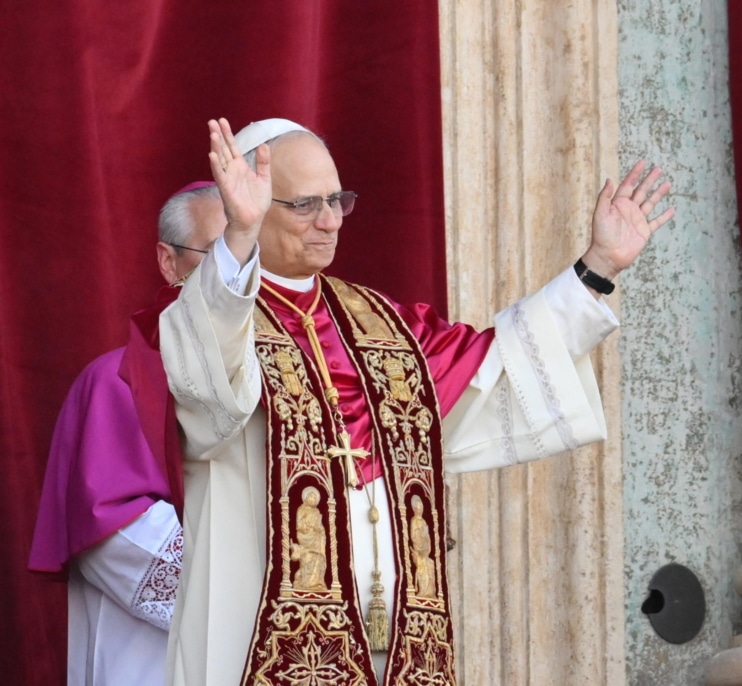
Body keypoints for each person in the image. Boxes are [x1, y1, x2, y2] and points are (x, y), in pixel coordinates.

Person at [159, 117, 675, 686]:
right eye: (305, 205)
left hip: (397, 639)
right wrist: (237, 237)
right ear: (254, 202)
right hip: (258, 635)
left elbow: (497, 366)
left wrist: (597, 268)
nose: (329, 221)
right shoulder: (216, 310)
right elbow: (208, 390)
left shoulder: (384, 325)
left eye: (337, 200)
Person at [28, 182, 226, 686]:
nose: (241, 278)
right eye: (222, 252)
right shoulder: (118, 380)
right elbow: (115, 533)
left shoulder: (299, 383)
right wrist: (248, 591)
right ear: (169, 262)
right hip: (152, 660)